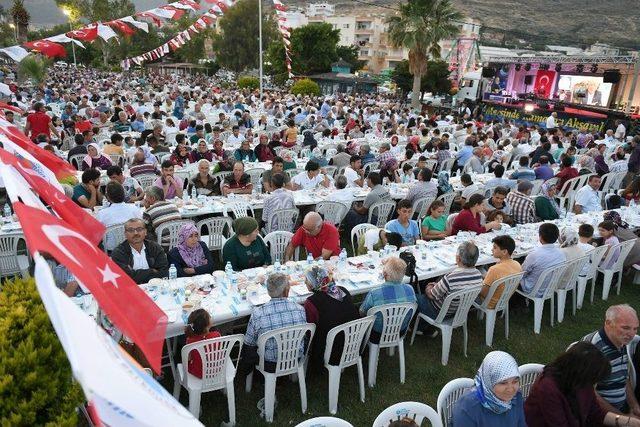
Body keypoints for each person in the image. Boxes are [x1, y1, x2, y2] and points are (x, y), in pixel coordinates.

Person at [524, 341, 640, 427]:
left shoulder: (580, 383)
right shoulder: (548, 388)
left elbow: (596, 414)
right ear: (581, 373)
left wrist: (629, 422)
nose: (593, 385)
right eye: (593, 380)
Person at [241, 273, 306, 373]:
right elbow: (303, 336)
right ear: (286, 291)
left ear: (268, 291)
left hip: (269, 363)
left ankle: (247, 372)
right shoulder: (300, 309)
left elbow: (249, 343)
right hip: (295, 359)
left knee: (249, 346)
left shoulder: (258, 313)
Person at [582, 305, 640, 416]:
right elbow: (589, 394)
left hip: (621, 409)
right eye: (626, 328)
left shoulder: (620, 341)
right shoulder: (594, 349)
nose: (631, 334)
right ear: (608, 324)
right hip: (599, 415)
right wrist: (623, 419)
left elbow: (622, 378)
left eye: (635, 328)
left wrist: (635, 406)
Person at [303, 265, 360, 370]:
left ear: (312, 284)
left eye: (306, 280)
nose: (305, 282)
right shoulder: (342, 290)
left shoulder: (311, 302)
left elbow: (309, 330)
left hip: (330, 349)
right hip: (353, 342)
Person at [452, 351, 526, 427]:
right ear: (489, 382)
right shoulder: (467, 408)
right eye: (503, 383)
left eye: (515, 381)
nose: (511, 390)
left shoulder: (516, 397)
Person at [417, 241, 483, 320]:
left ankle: (420, 327)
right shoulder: (478, 275)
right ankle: (422, 325)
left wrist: (429, 286)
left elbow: (432, 295)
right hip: (459, 312)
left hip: (439, 312)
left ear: (458, 259)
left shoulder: (451, 277)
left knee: (414, 297)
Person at [360, 257, 416, 343]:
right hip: (400, 331)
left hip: (377, 334)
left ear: (384, 274)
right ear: (403, 274)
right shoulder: (410, 289)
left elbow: (362, 312)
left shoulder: (374, 293)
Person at [111, 218, 169, 284]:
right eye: (131, 230)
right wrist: (152, 271)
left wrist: (135, 274)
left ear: (145, 232)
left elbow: (164, 271)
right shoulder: (119, 252)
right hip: (131, 288)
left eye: (139, 229)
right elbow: (125, 277)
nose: (135, 233)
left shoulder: (154, 247)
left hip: (154, 286)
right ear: (125, 234)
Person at [520, 223, 565, 296]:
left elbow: (521, 273)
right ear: (557, 237)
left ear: (540, 237)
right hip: (550, 286)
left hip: (531, 289)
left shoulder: (534, 254)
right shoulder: (561, 253)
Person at [478, 235, 522, 309]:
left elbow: (483, 293)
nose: (492, 250)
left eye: (495, 247)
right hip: (504, 299)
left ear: (504, 251)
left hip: (489, 302)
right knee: (481, 271)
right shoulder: (517, 265)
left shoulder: (494, 269)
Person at [184, 309, 221, 378]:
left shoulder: (189, 341)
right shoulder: (216, 335)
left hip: (198, 372)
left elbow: (189, 358)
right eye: (210, 317)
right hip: (216, 369)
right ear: (208, 324)